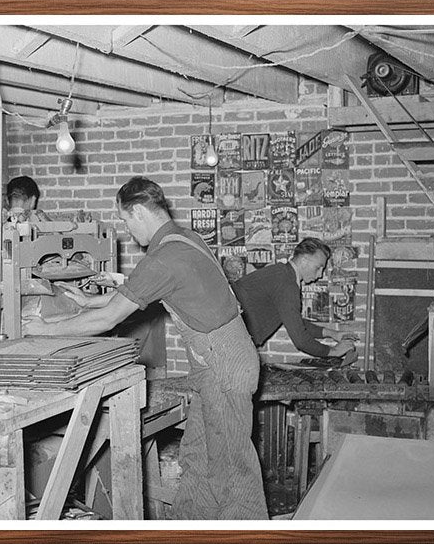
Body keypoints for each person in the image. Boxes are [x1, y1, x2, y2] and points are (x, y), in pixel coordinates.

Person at [25, 176, 268, 521]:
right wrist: (87, 300)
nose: (127, 230)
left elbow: (108, 320)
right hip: (216, 361)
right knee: (198, 455)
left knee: (232, 466)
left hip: (224, 365)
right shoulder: (183, 239)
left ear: (138, 211)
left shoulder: (164, 259)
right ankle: (189, 535)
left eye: (125, 220)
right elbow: (131, 296)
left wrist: (44, 330)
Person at [232, 237, 357, 363]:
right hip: (229, 340)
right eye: (318, 267)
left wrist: (332, 334)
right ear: (304, 260)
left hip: (229, 337)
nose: (320, 275)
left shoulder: (282, 273)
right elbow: (301, 341)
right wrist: (334, 352)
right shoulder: (287, 284)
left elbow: (294, 320)